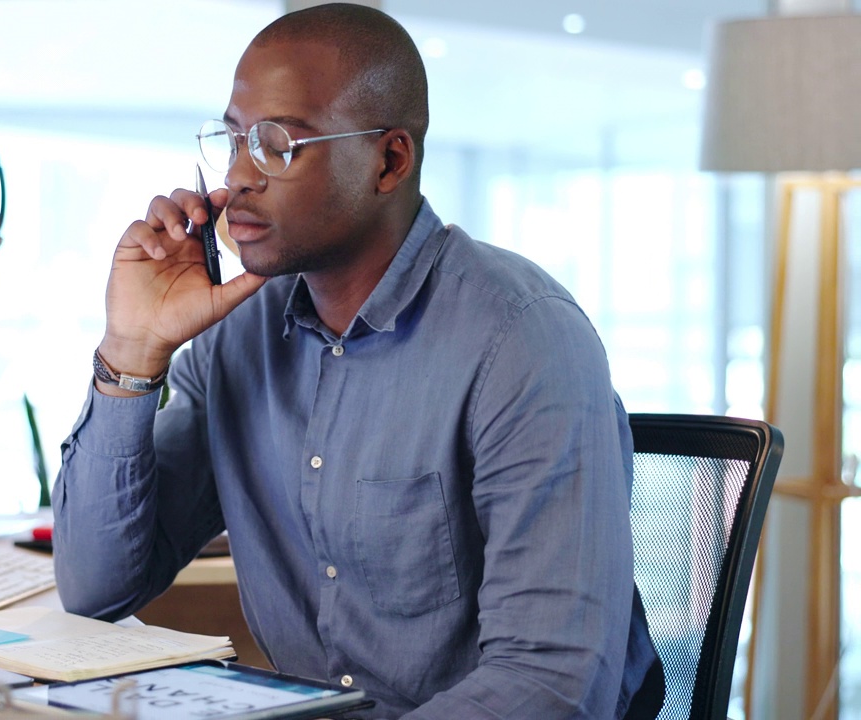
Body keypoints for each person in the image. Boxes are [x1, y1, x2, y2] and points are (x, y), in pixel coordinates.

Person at [52, 4, 661, 718]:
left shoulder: (522, 341)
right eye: (234, 139)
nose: (240, 175)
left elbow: (552, 684)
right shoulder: (238, 333)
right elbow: (96, 589)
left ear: (389, 161)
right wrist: (133, 351)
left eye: (279, 144)